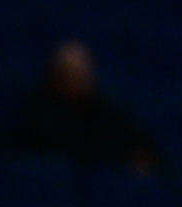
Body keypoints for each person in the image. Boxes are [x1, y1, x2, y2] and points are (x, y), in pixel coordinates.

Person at [13, 39, 157, 174]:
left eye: (84, 75)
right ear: (56, 77)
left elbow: (136, 141)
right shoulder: (40, 112)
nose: (80, 82)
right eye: (71, 75)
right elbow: (67, 146)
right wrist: (116, 154)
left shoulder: (103, 107)